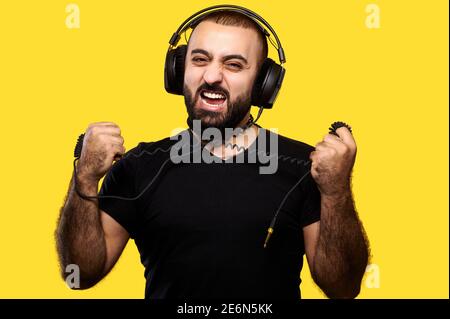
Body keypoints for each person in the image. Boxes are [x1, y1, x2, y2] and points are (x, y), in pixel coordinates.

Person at [56, 7, 369, 299]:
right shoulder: (139, 167)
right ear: (178, 70)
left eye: (233, 64)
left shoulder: (304, 168)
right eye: (200, 59)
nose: (211, 77)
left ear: (263, 84)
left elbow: (343, 287)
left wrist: (336, 190)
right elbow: (79, 276)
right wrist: (83, 177)